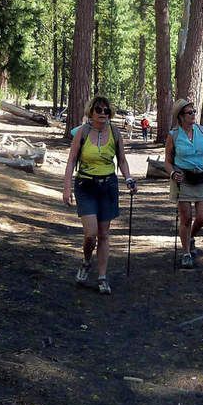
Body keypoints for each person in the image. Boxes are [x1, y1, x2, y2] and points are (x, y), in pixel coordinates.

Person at [63, 95, 136, 294]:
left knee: (104, 235)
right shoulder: (82, 132)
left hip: (108, 187)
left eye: (106, 110)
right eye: (98, 110)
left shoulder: (115, 131)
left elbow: (121, 160)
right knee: (91, 234)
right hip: (85, 186)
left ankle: (102, 276)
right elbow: (71, 161)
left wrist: (128, 178)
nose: (102, 113)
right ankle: (86, 261)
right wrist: (67, 187)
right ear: (91, 112)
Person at [165, 97, 203, 268]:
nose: (193, 114)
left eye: (194, 111)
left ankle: (190, 238)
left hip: (201, 177)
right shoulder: (173, 135)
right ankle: (186, 253)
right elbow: (167, 161)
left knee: (202, 217)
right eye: (189, 112)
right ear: (181, 116)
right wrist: (173, 173)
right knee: (186, 218)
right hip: (183, 179)